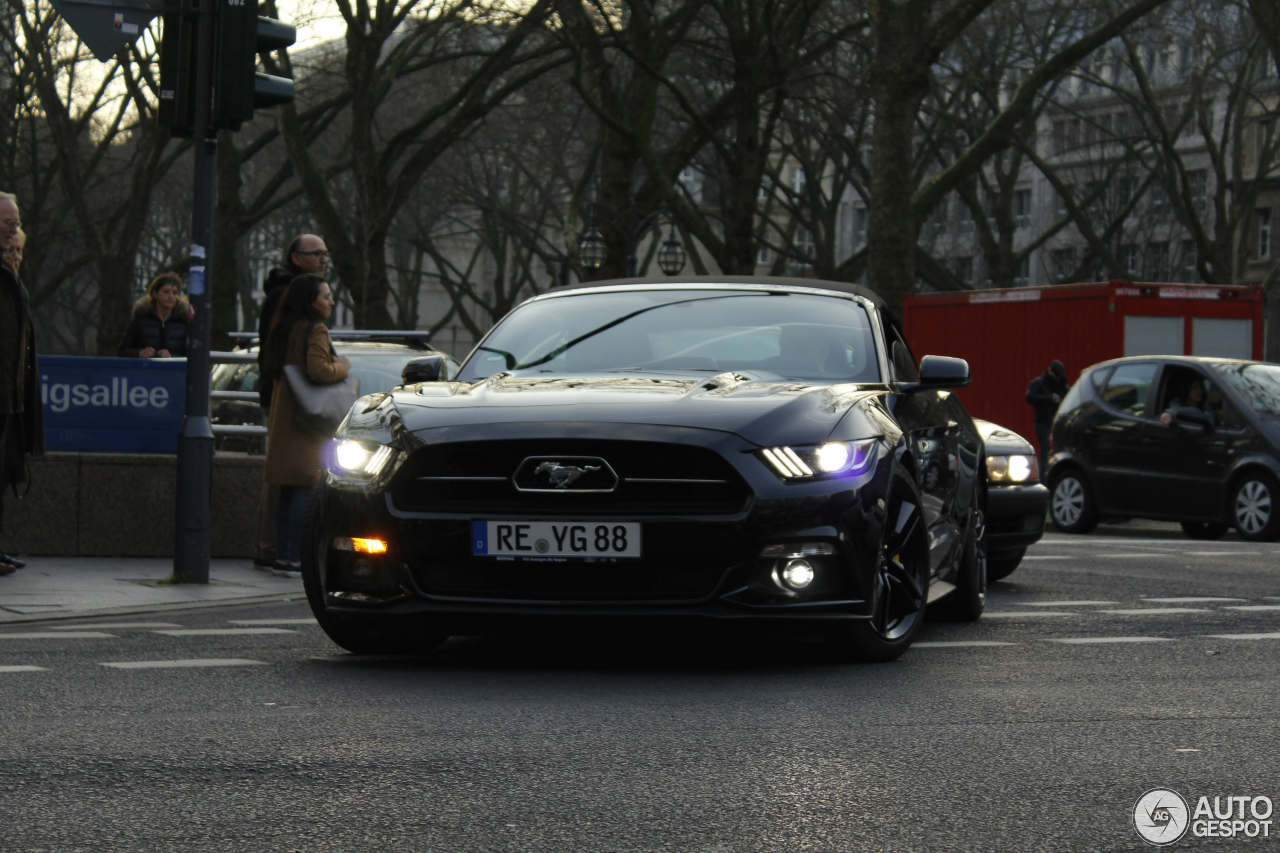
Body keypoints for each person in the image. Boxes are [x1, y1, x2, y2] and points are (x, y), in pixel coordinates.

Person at [260, 274, 349, 573]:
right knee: (304, 486)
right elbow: (320, 370)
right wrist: (343, 366)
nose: (331, 301)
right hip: (308, 419)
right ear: (312, 301)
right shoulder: (316, 329)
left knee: (287, 489)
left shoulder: (284, 328)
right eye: (326, 296)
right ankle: (297, 555)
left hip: (287, 412)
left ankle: (283, 553)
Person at [253, 233, 329, 569]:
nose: (323, 259)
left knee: (283, 476)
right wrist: (342, 366)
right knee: (293, 478)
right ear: (296, 258)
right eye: (317, 254)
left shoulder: (280, 295)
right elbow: (310, 363)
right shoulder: (294, 300)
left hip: (283, 395)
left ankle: (275, 548)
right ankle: (277, 548)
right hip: (294, 401)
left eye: (325, 254)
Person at [0, 192, 43, 575]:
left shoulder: (13, 283)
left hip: (9, 397)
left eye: (16, 222)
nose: (14, 227)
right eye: (7, 221)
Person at [117, 272, 192, 358]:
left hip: (173, 370)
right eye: (166, 292)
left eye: (174, 293)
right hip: (145, 369)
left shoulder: (183, 322)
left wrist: (171, 357)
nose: (171, 296)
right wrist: (140, 353)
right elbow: (122, 351)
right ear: (155, 294)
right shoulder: (141, 320)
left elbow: (192, 356)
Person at [1026, 359, 1068, 474]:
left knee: (1058, 450)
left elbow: (1067, 396)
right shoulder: (1038, 383)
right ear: (1050, 371)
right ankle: (1044, 477)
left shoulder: (1061, 383)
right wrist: (1049, 398)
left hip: (1057, 422)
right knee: (1045, 450)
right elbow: (1030, 397)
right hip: (1043, 421)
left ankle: (1052, 474)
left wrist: (1060, 399)